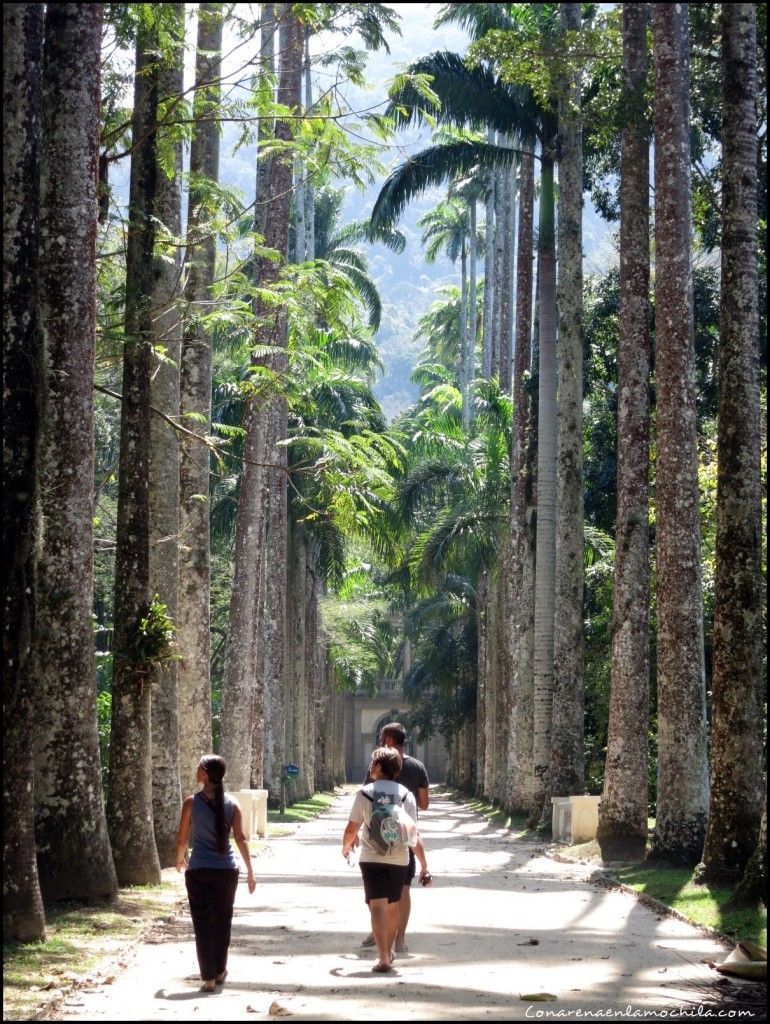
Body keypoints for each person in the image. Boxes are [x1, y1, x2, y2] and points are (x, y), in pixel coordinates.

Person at [342, 746, 430, 973]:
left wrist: (346, 846)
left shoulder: (365, 793)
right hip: (399, 858)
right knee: (392, 907)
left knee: (377, 906)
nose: (370, 767)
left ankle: (382, 956)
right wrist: (423, 865)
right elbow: (413, 833)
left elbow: (352, 827)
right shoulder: (405, 795)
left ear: (379, 766)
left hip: (371, 857)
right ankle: (389, 950)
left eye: (373, 764)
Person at [175, 754, 256, 992]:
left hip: (199, 869)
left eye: (199, 768)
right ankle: (220, 971)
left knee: (203, 924)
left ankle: (208, 978)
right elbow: (240, 838)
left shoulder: (191, 802)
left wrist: (179, 860)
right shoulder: (233, 804)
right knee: (223, 922)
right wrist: (250, 871)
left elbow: (182, 838)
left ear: (206, 773)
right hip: (226, 871)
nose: (196, 771)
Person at [360, 722, 430, 953]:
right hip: (405, 839)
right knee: (403, 891)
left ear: (389, 740)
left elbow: (364, 802)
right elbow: (425, 804)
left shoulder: (376, 767)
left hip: (375, 840)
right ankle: (399, 940)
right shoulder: (418, 767)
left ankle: (377, 933)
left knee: (376, 893)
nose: (381, 741)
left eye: (382, 738)